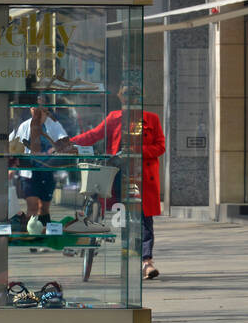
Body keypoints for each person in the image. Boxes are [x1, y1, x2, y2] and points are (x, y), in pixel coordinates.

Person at [71, 86, 167, 279]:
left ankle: (146, 262)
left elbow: (160, 146)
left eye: (134, 96)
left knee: (144, 219)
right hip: (116, 175)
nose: (130, 100)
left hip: (141, 177)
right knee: (117, 214)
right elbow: (94, 135)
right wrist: (69, 143)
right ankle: (115, 250)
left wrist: (140, 151)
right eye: (126, 96)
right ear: (120, 98)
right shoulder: (114, 117)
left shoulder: (151, 119)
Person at [9, 96, 76, 230]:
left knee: (44, 208)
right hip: (29, 173)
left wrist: (57, 147)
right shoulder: (24, 126)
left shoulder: (53, 125)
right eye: (34, 108)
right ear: (30, 110)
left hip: (47, 172)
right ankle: (31, 236)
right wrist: (11, 166)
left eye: (41, 108)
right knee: (32, 206)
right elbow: (10, 145)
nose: (37, 111)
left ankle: (46, 234)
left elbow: (65, 142)